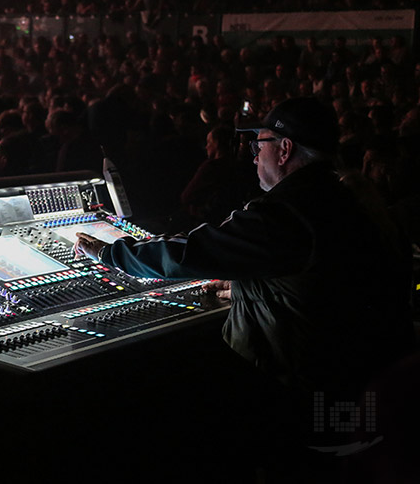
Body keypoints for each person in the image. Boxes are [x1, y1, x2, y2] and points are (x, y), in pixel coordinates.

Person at [75, 96, 415, 477]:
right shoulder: (347, 197)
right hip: (352, 382)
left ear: (285, 149)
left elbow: (190, 254)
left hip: (296, 395)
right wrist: (245, 287)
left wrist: (112, 253)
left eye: (259, 144)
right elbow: (320, 282)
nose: (253, 156)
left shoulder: (285, 212)